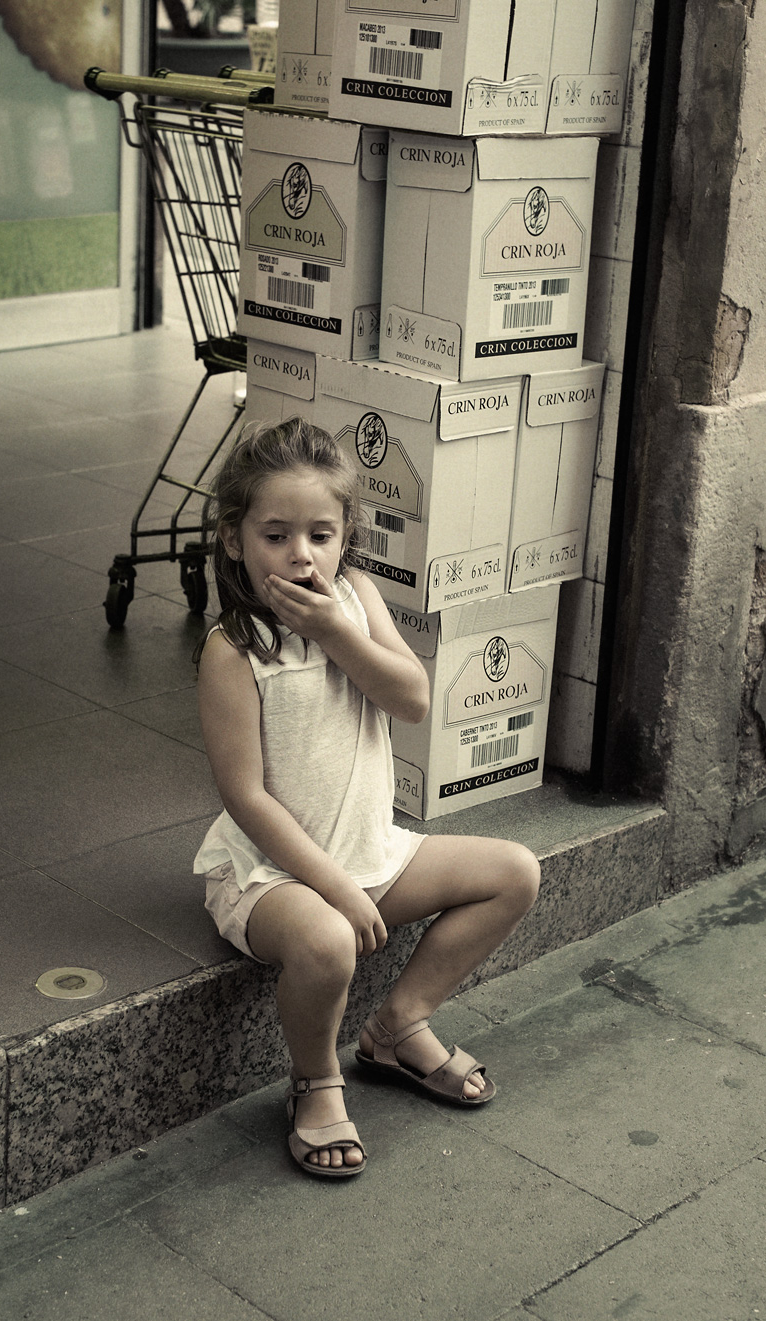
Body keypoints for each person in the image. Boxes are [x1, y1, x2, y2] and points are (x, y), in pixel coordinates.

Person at [194, 417, 540, 1179]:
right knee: (327, 941)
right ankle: (316, 1078)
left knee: (515, 871)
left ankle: (397, 1023)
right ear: (233, 538)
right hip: (272, 876)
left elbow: (412, 698)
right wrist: (337, 889)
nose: (300, 554)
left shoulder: (355, 596)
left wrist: (337, 630)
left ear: (346, 534)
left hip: (371, 852)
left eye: (320, 533)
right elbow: (246, 797)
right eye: (276, 534)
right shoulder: (232, 649)